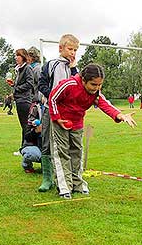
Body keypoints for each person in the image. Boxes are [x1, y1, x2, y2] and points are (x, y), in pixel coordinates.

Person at [49, 63, 136, 199]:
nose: (97, 88)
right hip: (61, 121)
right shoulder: (69, 84)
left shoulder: (95, 93)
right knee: (62, 153)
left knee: (77, 152)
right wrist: (57, 118)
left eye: (99, 85)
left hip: (77, 123)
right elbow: (53, 98)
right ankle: (65, 186)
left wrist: (120, 115)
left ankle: (77, 183)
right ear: (83, 80)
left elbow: (105, 104)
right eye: (93, 85)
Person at [37, 34, 79, 192]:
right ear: (61, 48)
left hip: (69, 112)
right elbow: (41, 84)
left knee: (67, 145)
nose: (72, 53)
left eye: (75, 50)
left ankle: (67, 178)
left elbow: (78, 85)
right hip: (50, 110)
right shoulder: (51, 64)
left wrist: (74, 67)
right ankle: (47, 178)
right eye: (70, 49)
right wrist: (53, 97)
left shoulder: (75, 68)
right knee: (47, 142)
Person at [6, 49, 34, 151]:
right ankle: (24, 147)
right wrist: (14, 84)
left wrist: (16, 89)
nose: (16, 57)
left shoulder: (27, 68)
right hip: (20, 100)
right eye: (15, 55)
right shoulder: (19, 69)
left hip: (25, 100)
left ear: (23, 57)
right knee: (24, 125)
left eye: (18, 55)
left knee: (26, 125)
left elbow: (30, 83)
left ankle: (25, 148)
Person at [19, 101, 42, 173]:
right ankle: (27, 165)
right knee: (31, 154)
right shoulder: (34, 112)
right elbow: (27, 137)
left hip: (49, 147)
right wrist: (36, 132)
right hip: (35, 146)